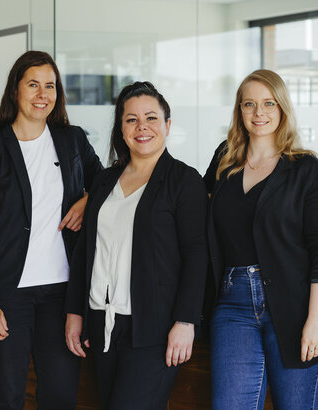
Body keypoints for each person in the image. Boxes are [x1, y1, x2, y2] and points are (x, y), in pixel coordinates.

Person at [0, 50, 103, 409]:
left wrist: (86, 199)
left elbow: (106, 182)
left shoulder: (71, 140)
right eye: (33, 84)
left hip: (61, 295)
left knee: (60, 396)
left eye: (50, 86)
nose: (43, 94)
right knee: (5, 397)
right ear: (16, 91)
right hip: (7, 295)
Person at [204, 69, 318, 410]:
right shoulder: (224, 161)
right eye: (249, 104)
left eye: (269, 103)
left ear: (282, 107)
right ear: (239, 111)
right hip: (232, 305)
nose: (259, 113)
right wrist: (95, 193)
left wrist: (316, 320)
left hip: (297, 305)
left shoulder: (308, 170)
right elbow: (187, 204)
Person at [64, 81, 208, 410]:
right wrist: (76, 312)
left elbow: (197, 255)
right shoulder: (103, 182)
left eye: (151, 118)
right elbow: (86, 251)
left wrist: (186, 322)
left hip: (154, 329)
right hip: (102, 323)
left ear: (167, 126)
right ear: (121, 129)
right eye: (131, 119)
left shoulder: (184, 181)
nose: (141, 127)